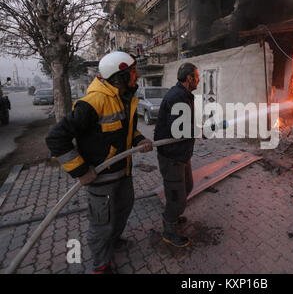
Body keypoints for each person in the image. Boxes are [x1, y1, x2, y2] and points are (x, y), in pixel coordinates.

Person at [46, 51, 153, 274]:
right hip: (100, 180)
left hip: (123, 174)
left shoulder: (126, 99)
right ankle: (100, 265)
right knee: (101, 224)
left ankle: (113, 242)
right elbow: (56, 138)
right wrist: (80, 170)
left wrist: (140, 139)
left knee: (123, 210)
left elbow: (126, 132)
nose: (137, 74)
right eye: (132, 71)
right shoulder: (92, 103)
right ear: (119, 76)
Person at [154, 62, 199, 247]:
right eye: (197, 76)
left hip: (181, 154)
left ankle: (173, 215)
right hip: (172, 157)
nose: (198, 80)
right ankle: (169, 231)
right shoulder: (178, 97)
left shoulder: (183, 95)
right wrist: (199, 131)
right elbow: (178, 130)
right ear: (189, 78)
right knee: (176, 197)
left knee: (187, 186)